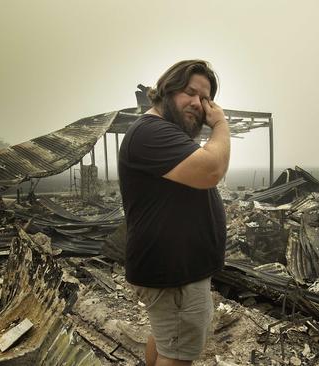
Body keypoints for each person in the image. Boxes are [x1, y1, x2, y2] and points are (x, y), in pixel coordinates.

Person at [118, 60, 230, 366]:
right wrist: (220, 124)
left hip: (176, 273)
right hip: (174, 275)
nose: (198, 103)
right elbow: (211, 170)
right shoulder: (151, 132)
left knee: (167, 340)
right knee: (177, 353)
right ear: (166, 89)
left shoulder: (164, 133)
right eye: (189, 92)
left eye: (205, 99)